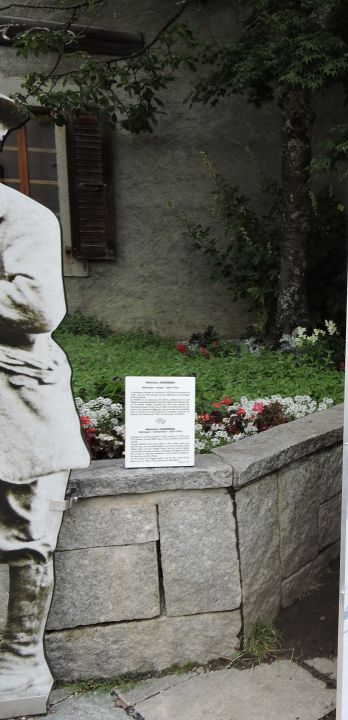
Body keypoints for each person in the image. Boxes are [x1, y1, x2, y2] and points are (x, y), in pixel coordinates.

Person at [0, 94, 90, 702]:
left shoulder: (25, 217)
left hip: (17, 400)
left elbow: (36, 307)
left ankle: (20, 662)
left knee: (23, 535)